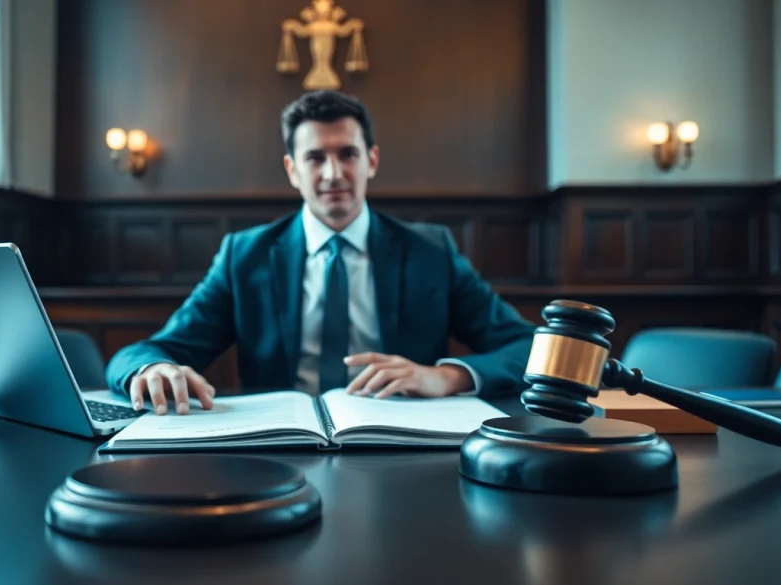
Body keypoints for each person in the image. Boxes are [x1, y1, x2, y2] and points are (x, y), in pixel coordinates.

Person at [105, 90, 537, 415]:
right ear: (292, 170)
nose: (333, 173)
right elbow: (150, 350)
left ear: (372, 160)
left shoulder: (431, 251)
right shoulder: (245, 256)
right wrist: (150, 370)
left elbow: (525, 347)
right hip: (280, 448)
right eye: (315, 158)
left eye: (348, 154)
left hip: (405, 444)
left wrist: (447, 376)